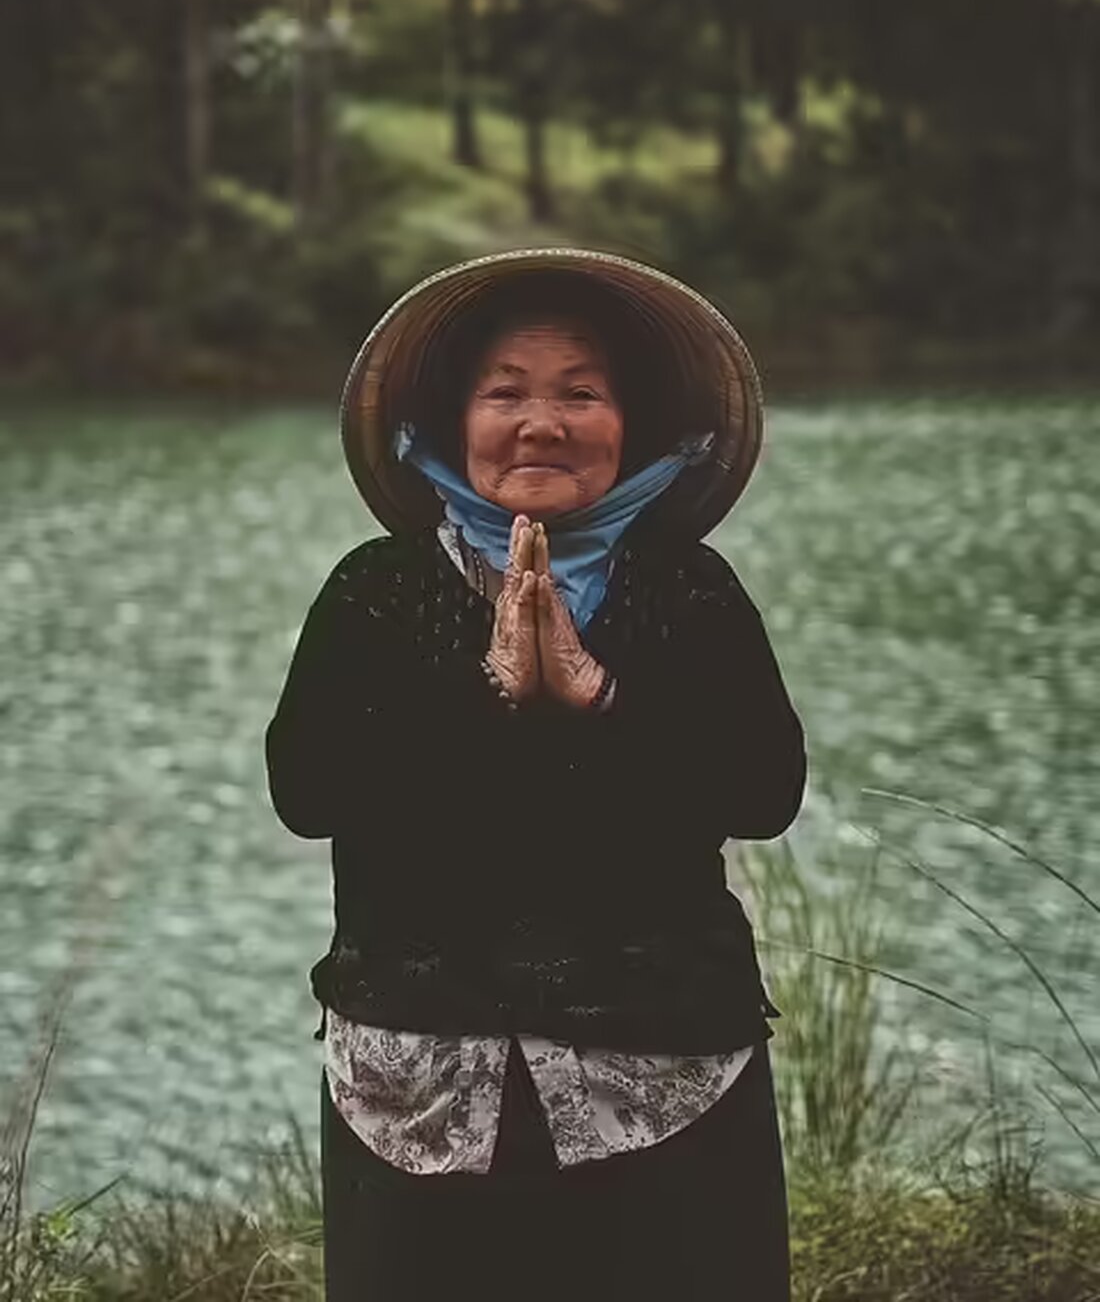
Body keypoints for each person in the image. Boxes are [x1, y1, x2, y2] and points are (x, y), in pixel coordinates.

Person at [264, 247, 807, 1301]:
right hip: (418, 1087)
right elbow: (306, 793)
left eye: (580, 393)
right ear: (453, 417)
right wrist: (489, 693)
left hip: (666, 1071)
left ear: (631, 422)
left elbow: (763, 793)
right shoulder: (375, 592)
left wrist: (598, 698)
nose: (540, 422)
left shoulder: (684, 590)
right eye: (503, 392)